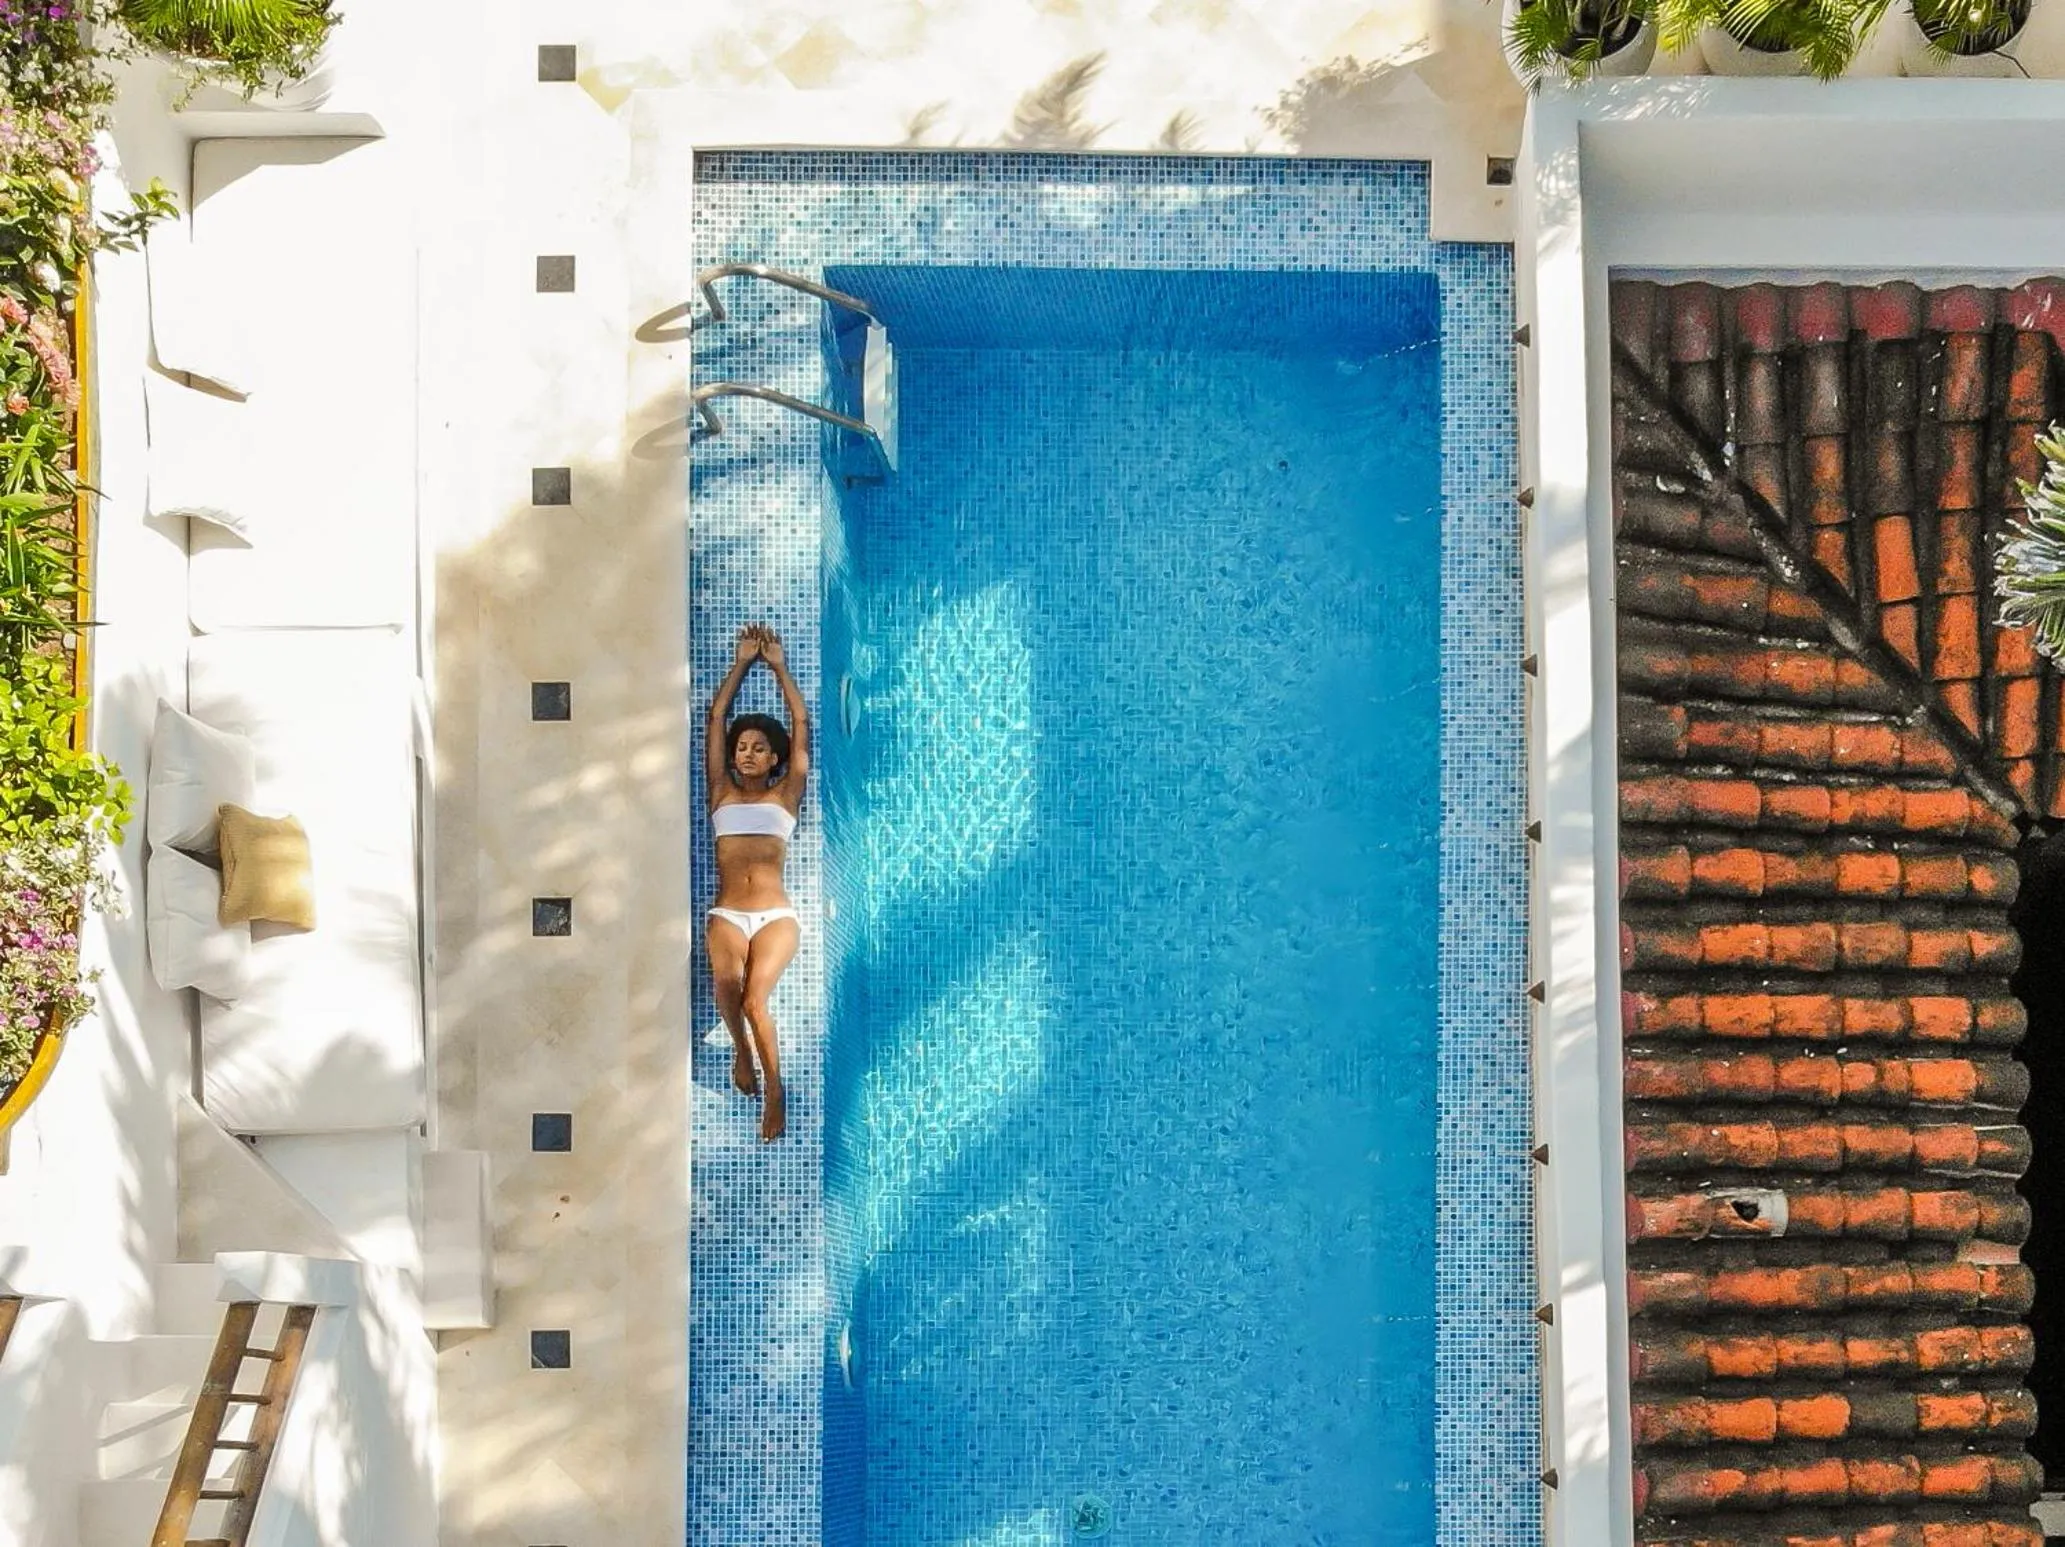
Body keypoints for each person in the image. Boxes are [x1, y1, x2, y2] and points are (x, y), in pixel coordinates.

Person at [705, 622, 808, 1141]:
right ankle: (742, 1050)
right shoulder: (720, 790)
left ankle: (774, 1088)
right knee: (726, 987)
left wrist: (779, 667)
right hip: (728, 912)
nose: (747, 752)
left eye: (759, 747)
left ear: (775, 758)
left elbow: (801, 721)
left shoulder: (785, 794)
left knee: (753, 1001)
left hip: (774, 917)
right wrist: (742, 662)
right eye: (742, 746)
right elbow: (716, 717)